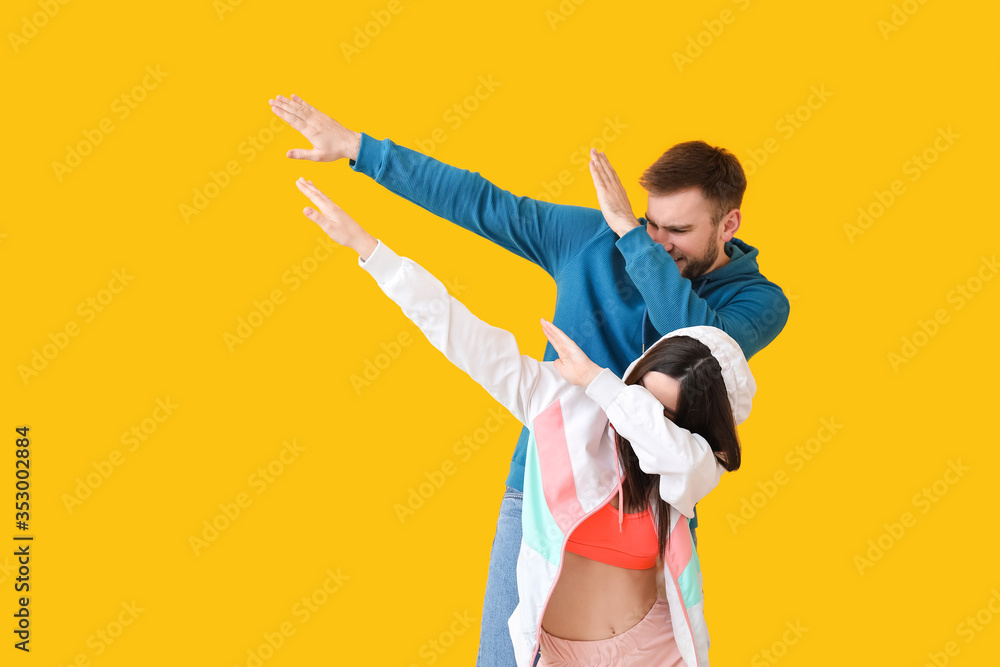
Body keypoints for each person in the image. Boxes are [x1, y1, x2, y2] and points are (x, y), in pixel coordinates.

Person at [269, 94, 786, 666]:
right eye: (651, 224)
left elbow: (692, 339)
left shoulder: (758, 302)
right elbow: (484, 204)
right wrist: (361, 152)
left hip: (654, 508)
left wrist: (628, 234)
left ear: (728, 224)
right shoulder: (589, 240)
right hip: (543, 492)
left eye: (679, 232)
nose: (659, 243)